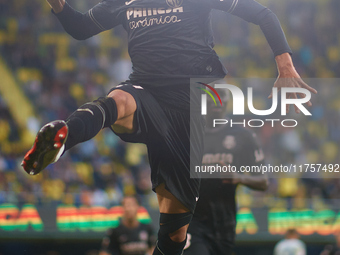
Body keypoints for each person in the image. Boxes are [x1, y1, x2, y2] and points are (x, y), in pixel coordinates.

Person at [21, 0, 317, 254]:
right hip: (146, 90)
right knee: (119, 100)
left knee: (175, 230)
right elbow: (81, 27)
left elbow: (262, 14)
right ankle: (64, 136)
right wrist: (59, 5)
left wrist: (286, 65)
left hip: (190, 101)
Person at [183, 88, 268, 255]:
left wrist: (239, 177)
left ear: (228, 100)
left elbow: (263, 182)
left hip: (225, 223)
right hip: (193, 220)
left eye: (222, 94)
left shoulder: (243, 136)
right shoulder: (187, 135)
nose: (217, 99)